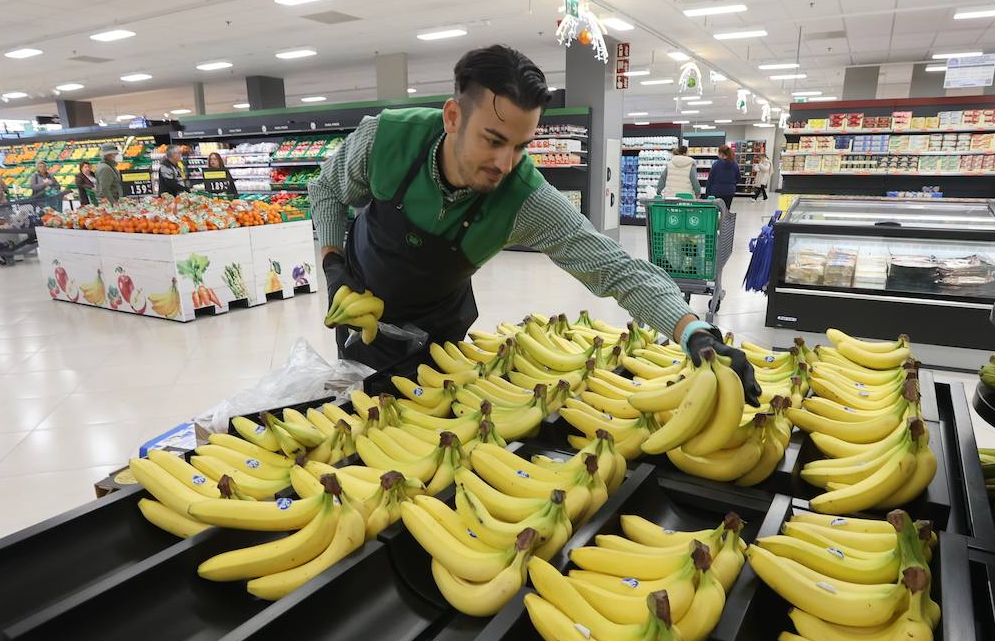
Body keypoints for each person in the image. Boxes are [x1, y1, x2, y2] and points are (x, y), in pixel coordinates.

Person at [308, 44, 759, 402]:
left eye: (522, 146)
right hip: (358, 304)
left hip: (438, 331)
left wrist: (693, 331)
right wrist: (332, 263)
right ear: (453, 117)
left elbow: (616, 268)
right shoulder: (387, 137)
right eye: (493, 140)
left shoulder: (524, 198)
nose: (505, 163)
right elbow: (326, 190)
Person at [705, 145, 740, 210]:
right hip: (729, 191)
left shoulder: (716, 164)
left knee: (716, 211)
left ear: (721, 153)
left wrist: (707, 194)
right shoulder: (735, 164)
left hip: (716, 191)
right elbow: (738, 178)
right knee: (726, 210)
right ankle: (725, 220)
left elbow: (710, 180)